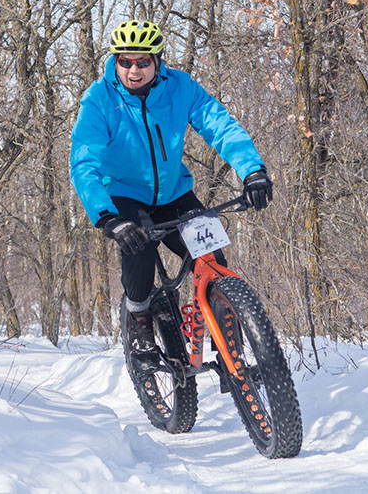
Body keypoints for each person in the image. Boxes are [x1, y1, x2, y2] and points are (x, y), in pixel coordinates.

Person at [70, 19, 272, 372]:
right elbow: (84, 160)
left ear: (158, 62)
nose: (134, 70)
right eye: (126, 62)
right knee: (139, 248)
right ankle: (140, 324)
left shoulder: (180, 87)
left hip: (176, 194)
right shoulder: (99, 99)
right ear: (115, 62)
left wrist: (252, 170)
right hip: (125, 198)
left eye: (143, 62)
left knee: (211, 259)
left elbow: (219, 125)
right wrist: (106, 216)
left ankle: (227, 336)